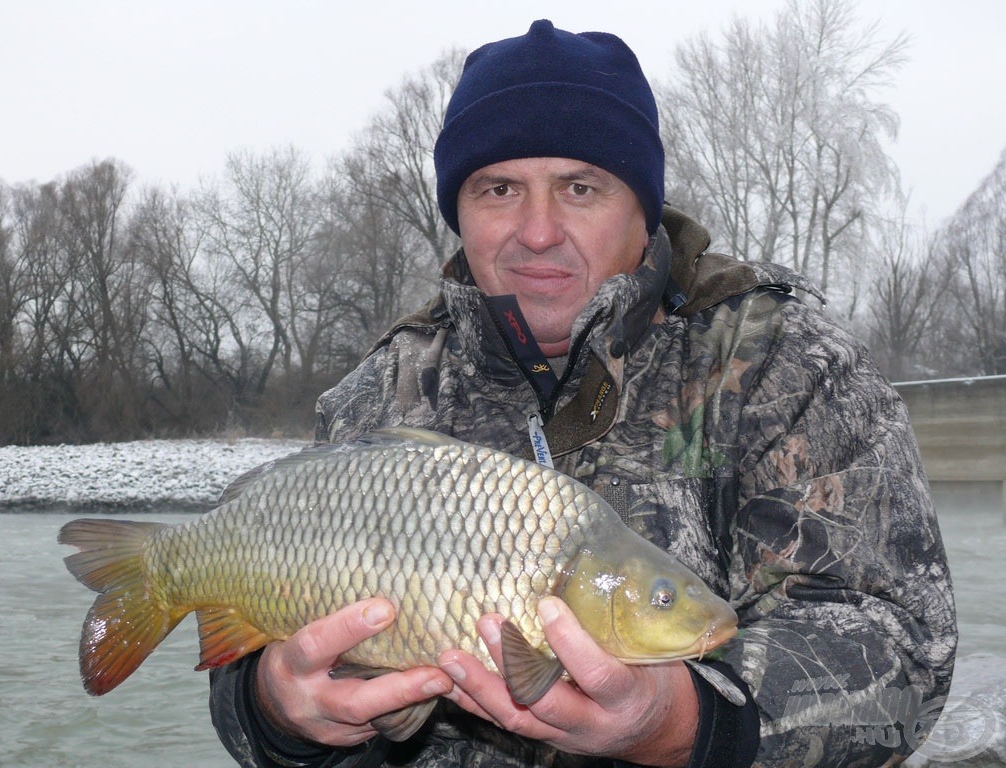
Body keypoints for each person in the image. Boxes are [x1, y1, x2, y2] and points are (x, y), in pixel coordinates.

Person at [209, 19, 957, 768]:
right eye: (499, 188)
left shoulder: (781, 361)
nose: (538, 231)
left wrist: (685, 724)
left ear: (642, 207)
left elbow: (896, 645)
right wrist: (276, 712)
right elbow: (260, 649)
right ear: (458, 211)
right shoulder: (380, 394)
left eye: (580, 187)